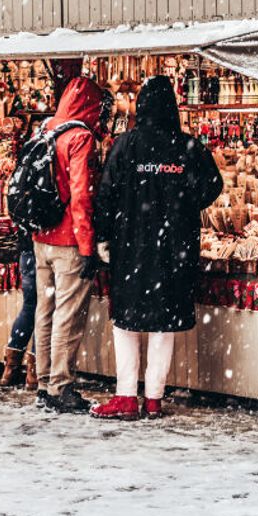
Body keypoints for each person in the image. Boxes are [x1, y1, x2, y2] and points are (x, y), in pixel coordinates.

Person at [91, 76, 223, 420]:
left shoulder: (125, 145)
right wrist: (183, 202)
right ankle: (153, 397)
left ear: (142, 107)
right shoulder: (188, 146)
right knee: (164, 326)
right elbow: (213, 185)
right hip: (174, 249)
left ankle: (125, 396)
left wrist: (103, 237)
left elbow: (104, 194)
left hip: (130, 246)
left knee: (126, 323)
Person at [33, 77, 105, 413]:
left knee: (44, 310)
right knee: (67, 315)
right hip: (68, 240)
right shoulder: (80, 138)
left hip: (40, 237)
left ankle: (44, 381)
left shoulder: (44, 129)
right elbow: (81, 196)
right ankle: (61, 386)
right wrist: (88, 246)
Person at [0, 232, 38, 389]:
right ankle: (34, 372)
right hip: (46, 247)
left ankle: (10, 369)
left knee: (29, 307)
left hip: (27, 250)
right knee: (45, 311)